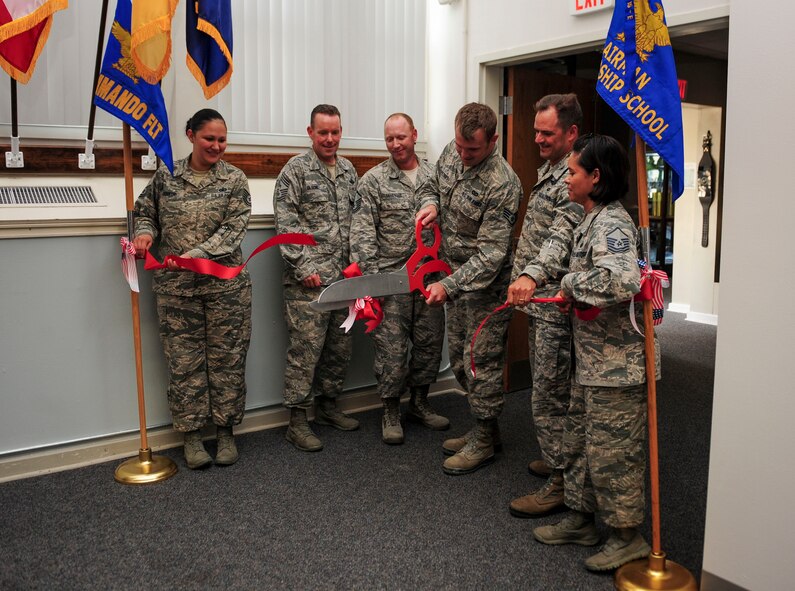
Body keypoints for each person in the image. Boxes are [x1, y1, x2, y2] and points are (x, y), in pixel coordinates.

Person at [531, 134, 656, 571]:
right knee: (581, 445)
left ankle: (628, 536)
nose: (566, 179)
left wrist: (569, 285)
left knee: (613, 454)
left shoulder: (613, 225)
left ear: (596, 177)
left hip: (617, 368)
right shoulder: (590, 219)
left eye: (573, 172)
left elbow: (622, 282)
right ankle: (581, 519)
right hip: (593, 362)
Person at [133, 108, 251, 469]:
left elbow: (234, 228)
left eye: (221, 139)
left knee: (227, 361)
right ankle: (193, 438)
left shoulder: (234, 179)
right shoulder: (166, 175)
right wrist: (143, 234)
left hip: (224, 289)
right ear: (190, 135)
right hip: (175, 290)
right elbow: (144, 212)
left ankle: (226, 433)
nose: (216, 145)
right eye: (209, 138)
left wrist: (194, 255)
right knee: (184, 365)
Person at [416, 103, 522, 475]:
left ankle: (483, 438)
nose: (463, 155)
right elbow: (430, 181)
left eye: (472, 150)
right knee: (461, 360)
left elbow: (492, 254)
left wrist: (448, 285)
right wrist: (430, 203)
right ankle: (486, 430)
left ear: (493, 140)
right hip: (453, 278)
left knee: (482, 363)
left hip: (485, 287)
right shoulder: (453, 149)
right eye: (459, 146)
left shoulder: (503, 183)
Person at [505, 94, 584, 517]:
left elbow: (559, 239)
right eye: (535, 130)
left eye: (546, 132)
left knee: (550, 397)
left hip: (554, 303)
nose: (537, 138)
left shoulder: (577, 176)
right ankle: (560, 459)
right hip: (538, 302)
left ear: (571, 133)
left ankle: (560, 481)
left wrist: (530, 275)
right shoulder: (549, 170)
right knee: (546, 388)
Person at [351, 113, 449, 445]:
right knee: (391, 352)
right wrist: (372, 283)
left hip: (430, 280)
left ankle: (420, 403)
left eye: (401, 137)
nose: (395, 145)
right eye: (389, 139)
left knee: (429, 344)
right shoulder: (373, 181)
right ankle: (391, 411)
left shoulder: (436, 176)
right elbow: (362, 235)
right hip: (392, 282)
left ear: (414, 135)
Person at [273, 104, 360, 452]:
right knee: (306, 351)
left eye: (335, 132)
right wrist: (304, 265)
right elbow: (286, 222)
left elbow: (359, 219)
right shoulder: (295, 171)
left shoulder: (350, 170)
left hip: (345, 280)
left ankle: (327, 407)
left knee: (339, 348)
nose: (329, 139)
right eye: (322, 132)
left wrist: (359, 263)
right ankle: (297, 420)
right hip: (307, 282)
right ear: (310, 132)